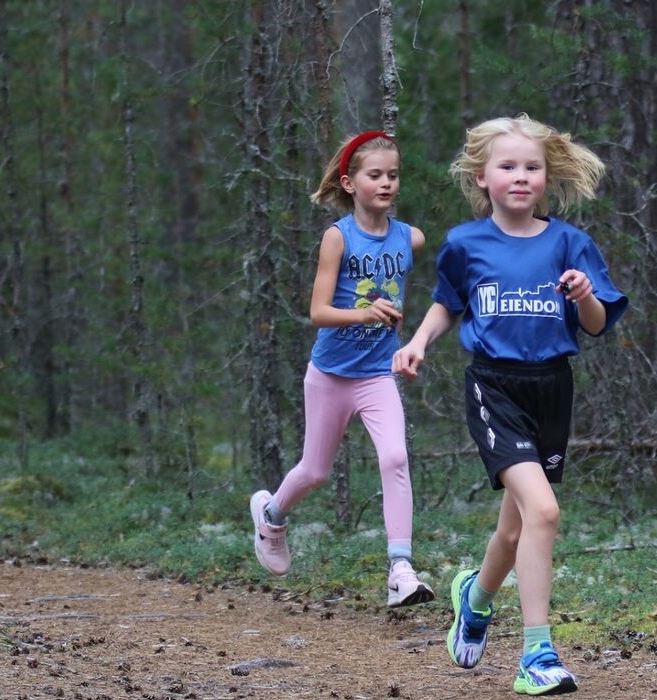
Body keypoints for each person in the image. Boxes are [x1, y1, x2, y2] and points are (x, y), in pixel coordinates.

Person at [392, 115, 628, 696]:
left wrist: (585, 295)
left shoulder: (571, 243)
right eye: (508, 167)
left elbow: (597, 325)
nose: (521, 177)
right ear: (482, 177)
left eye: (532, 168)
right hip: (493, 386)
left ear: (547, 177)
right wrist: (419, 342)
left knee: (518, 527)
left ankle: (474, 599)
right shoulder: (466, 244)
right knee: (544, 512)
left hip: (551, 387)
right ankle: (537, 654)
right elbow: (449, 304)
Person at [248, 130, 435, 609]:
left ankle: (400, 569)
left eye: (393, 175)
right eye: (375, 175)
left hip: (377, 375)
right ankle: (271, 515)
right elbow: (317, 311)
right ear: (350, 183)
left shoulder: (409, 238)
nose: (387, 183)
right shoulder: (338, 237)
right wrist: (365, 313)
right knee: (314, 471)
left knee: (395, 457)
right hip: (331, 374)